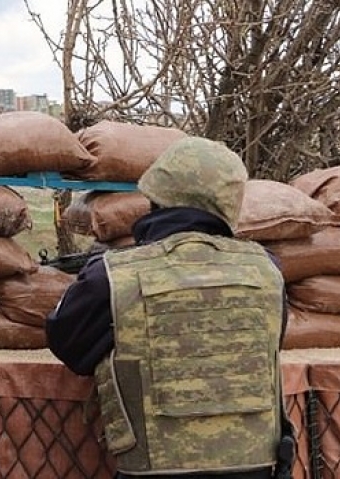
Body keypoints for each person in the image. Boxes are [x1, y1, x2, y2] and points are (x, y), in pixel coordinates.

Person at [46, 137, 293, 479]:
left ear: (154, 199)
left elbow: (69, 346)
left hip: (153, 470)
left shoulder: (113, 275)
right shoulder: (267, 270)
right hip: (257, 467)